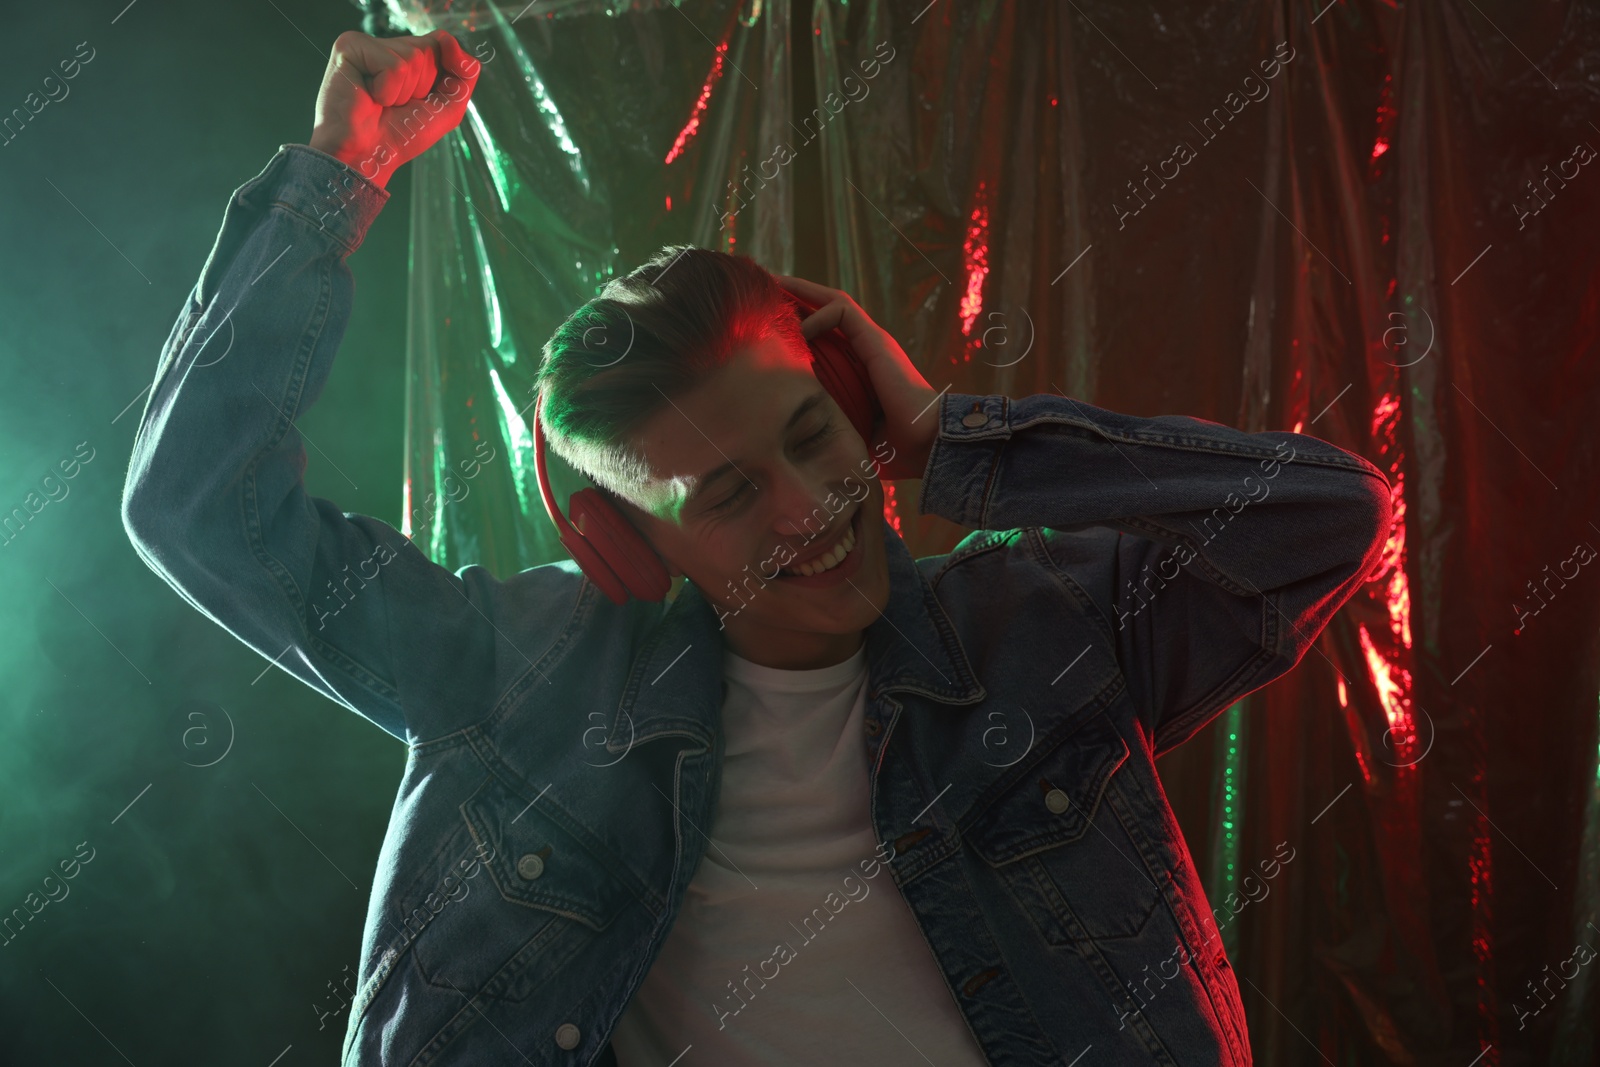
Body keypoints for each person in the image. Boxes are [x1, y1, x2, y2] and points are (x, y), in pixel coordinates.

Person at [120, 29, 1392, 1067]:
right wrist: (341, 170)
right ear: (628, 542)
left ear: (851, 394)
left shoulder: (1043, 630)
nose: (806, 508)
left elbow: (1325, 516)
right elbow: (195, 503)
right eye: (727, 493)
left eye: (811, 432)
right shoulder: (515, 676)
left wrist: (956, 437)